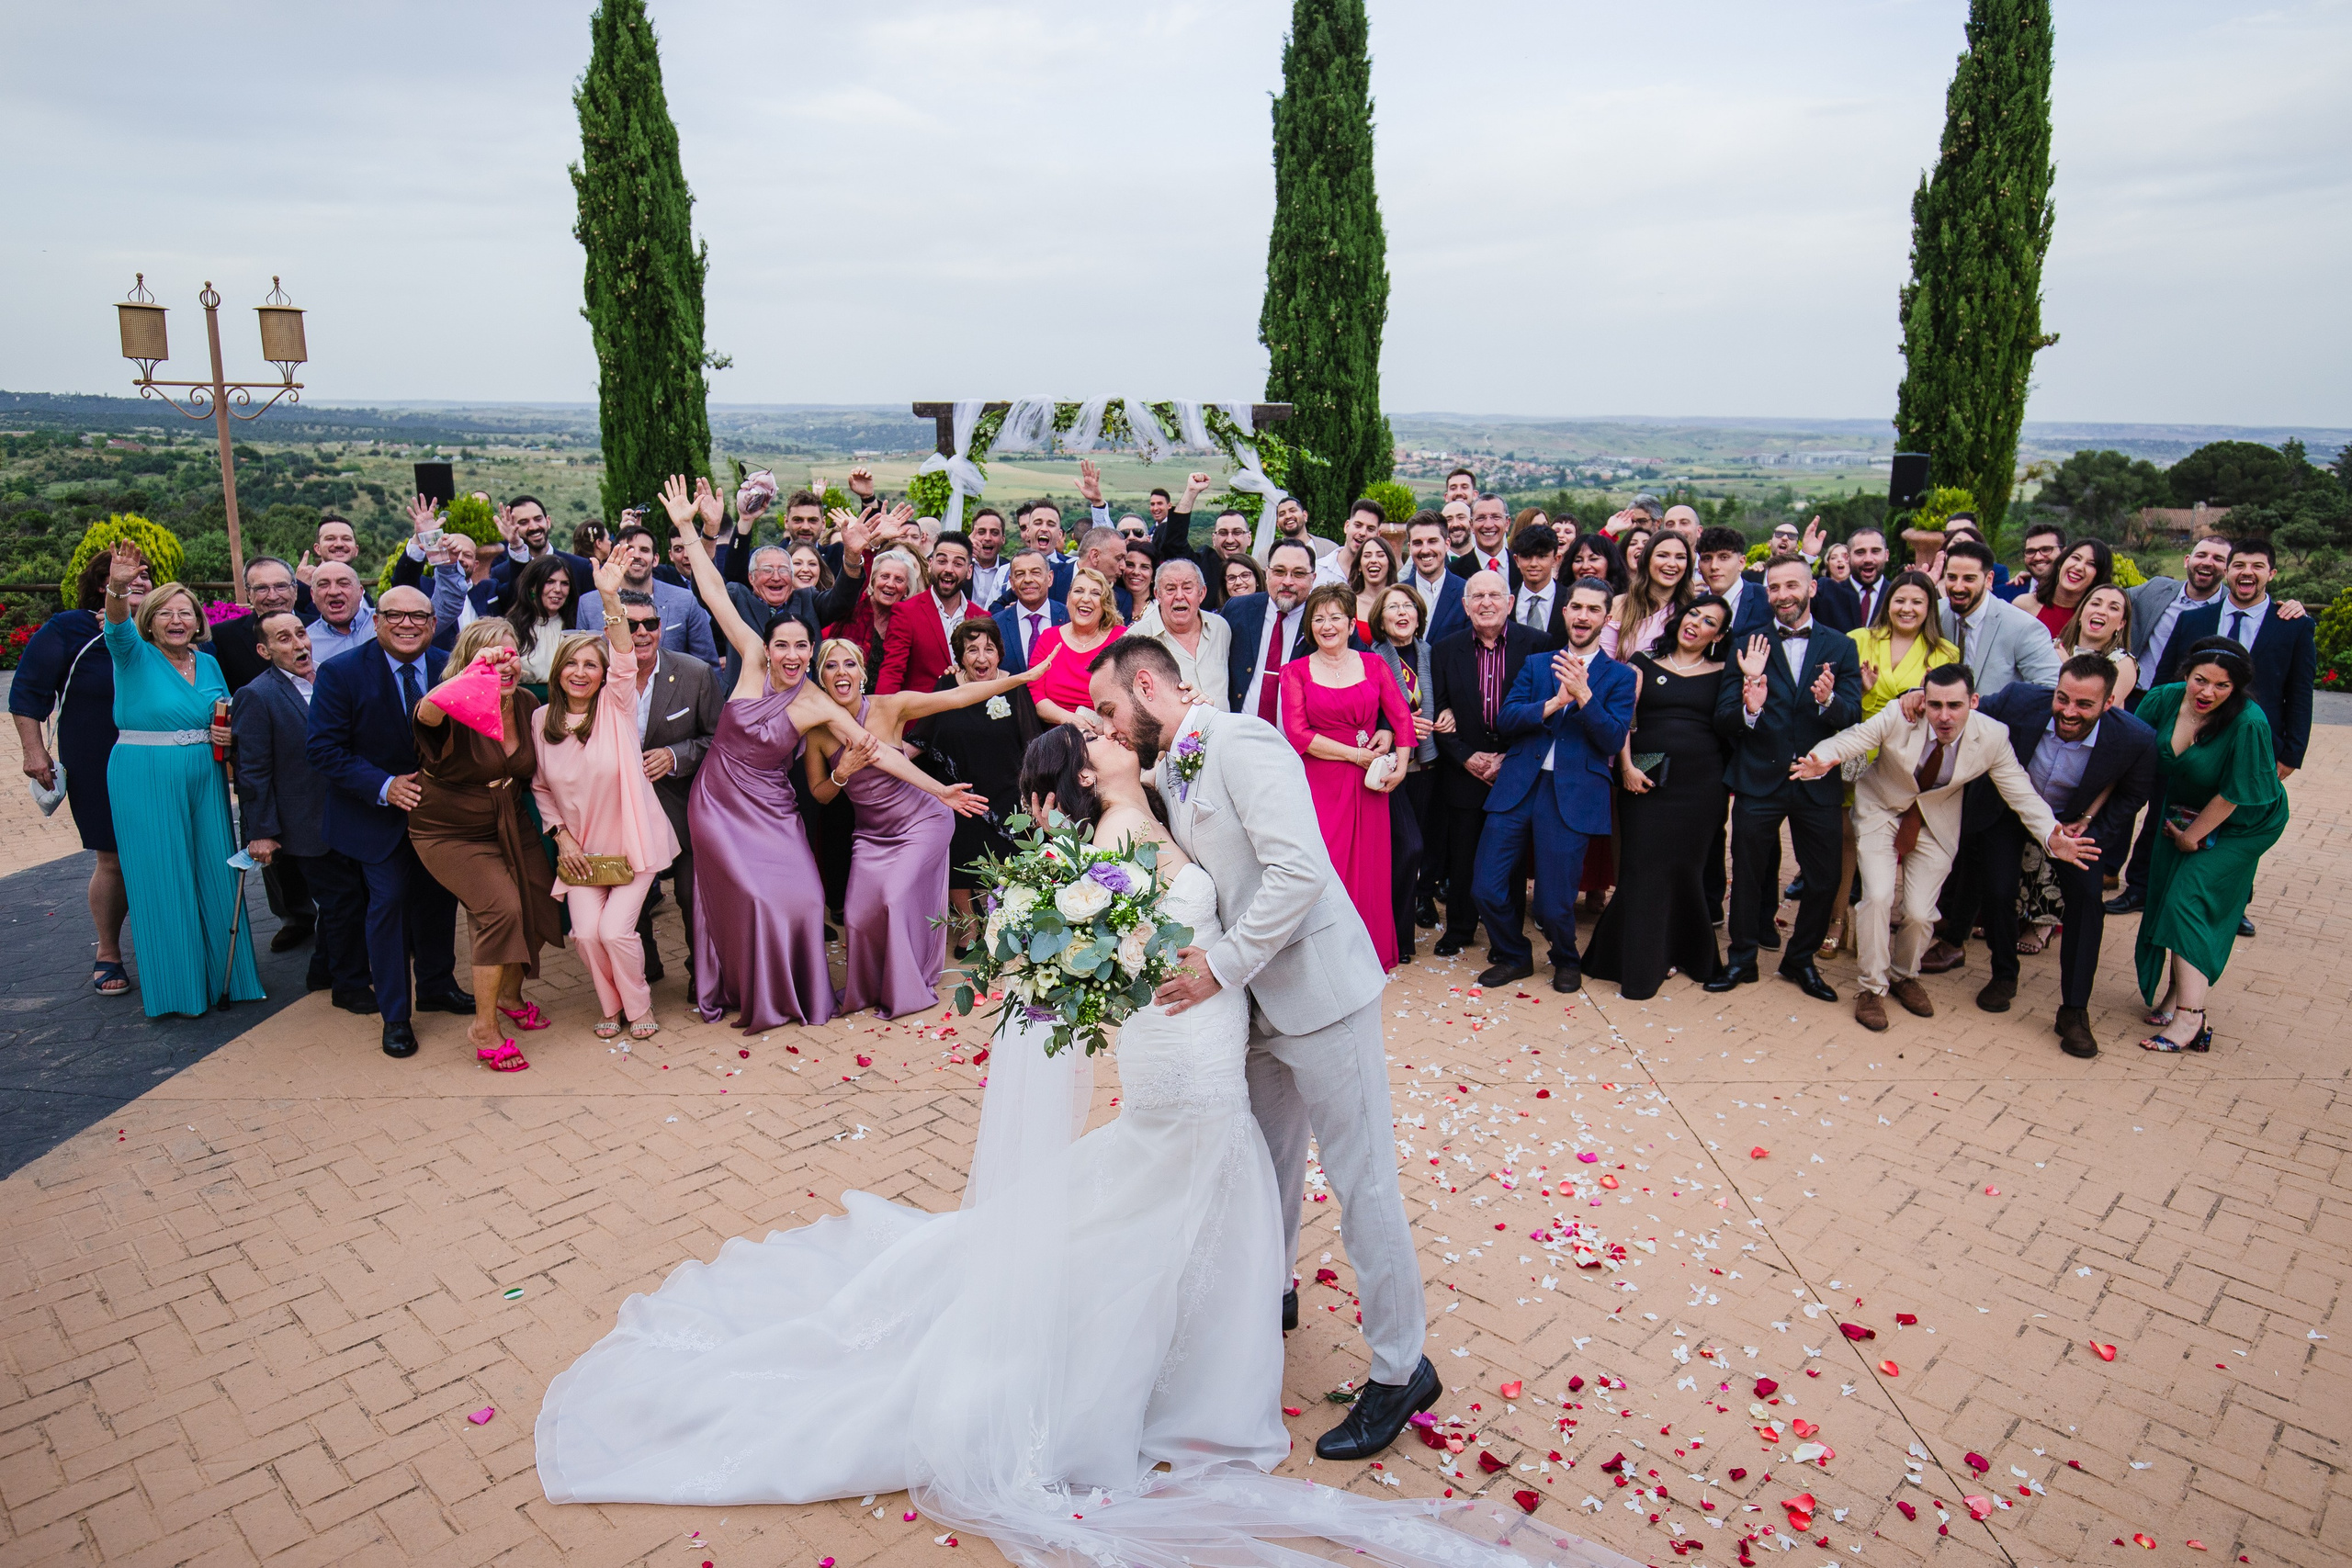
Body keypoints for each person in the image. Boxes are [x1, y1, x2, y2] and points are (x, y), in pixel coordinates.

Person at [537, 698, 1620, 1568]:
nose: (1106, 729)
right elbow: (1123, 944)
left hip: (1221, 1024)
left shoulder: (1170, 797)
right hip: (1183, 1038)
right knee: (1198, 1169)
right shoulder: (1111, 832)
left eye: (1108, 716)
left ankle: (1264, 1326)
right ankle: (1186, 1349)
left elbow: (1247, 884)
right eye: (1096, 733)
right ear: (1084, 774)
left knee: (1216, 1175)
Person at [1087, 637, 1440, 1463]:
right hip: (1249, 1012)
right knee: (1265, 1169)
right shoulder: (1169, 765)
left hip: (1318, 993)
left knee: (1363, 1182)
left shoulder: (1242, 740)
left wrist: (1220, 966)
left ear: (1148, 685)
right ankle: (1268, 1297)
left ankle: (1400, 1366)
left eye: (1108, 708)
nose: (1104, 722)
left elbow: (1299, 871)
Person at [662, 477, 955, 1032]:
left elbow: (876, 751)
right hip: (720, 802)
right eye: (784, 645)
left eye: (803, 646)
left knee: (803, 897)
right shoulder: (748, 661)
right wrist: (687, 527)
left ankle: (795, 989)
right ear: (766, 646)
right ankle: (746, 988)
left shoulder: (817, 701)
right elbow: (715, 593)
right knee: (751, 895)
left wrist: (938, 790)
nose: (793, 654)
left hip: (774, 806)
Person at [1794, 663, 2096, 1032]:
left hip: (1935, 821)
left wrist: (2052, 835)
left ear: (1974, 702)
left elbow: (2020, 790)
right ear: (1924, 700)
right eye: (1935, 705)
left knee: (1921, 914)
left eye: (1955, 705)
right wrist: (1823, 758)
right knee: (1877, 896)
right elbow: (1856, 738)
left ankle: (1904, 975)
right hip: (1882, 809)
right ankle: (1872, 987)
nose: (1944, 715)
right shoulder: (1900, 714)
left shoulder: (1993, 736)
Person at [1924, 658, 2157, 1051]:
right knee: (1998, 888)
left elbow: (2134, 794)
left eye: (2084, 705)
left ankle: (2074, 1011)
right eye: (2062, 698)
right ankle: (2003, 974)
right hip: (2008, 811)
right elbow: (1965, 707)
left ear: (2110, 702)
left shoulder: (2136, 738)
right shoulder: (2018, 700)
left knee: (2086, 900)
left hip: (2073, 824)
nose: (2068, 711)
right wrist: (1918, 697)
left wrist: (2091, 827)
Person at [90, 543, 264, 1019]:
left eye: (184, 612)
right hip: (145, 774)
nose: (175, 620)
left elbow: (223, 712)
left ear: (197, 621)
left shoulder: (206, 662)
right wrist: (119, 586)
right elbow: (116, 624)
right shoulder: (132, 654)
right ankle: (177, 988)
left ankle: (225, 976)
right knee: (162, 874)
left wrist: (225, 732)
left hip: (204, 776)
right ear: (147, 618)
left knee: (214, 871)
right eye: (164, 612)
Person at [805, 638, 1023, 1016]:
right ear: (822, 679)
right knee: (856, 916)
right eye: (831, 666)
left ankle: (905, 988)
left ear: (862, 673)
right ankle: (872, 987)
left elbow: (960, 697)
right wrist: (841, 774)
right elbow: (820, 795)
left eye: (849, 664)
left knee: (893, 896)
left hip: (922, 822)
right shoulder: (819, 733)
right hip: (871, 835)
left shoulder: (891, 706)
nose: (842, 672)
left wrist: (1027, 677)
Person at [307, 585, 471, 1055]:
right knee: (391, 904)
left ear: (432, 624)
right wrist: (384, 786)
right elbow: (322, 750)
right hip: (375, 818)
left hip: (440, 817)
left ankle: (438, 986)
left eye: (418, 617)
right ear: (376, 621)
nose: (407, 624)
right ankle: (396, 1015)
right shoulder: (340, 673)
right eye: (395, 615)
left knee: (439, 902)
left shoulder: (449, 667)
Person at [532, 562, 682, 1043]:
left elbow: (623, 652)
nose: (580, 672)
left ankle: (638, 1007)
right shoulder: (540, 721)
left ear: (603, 676)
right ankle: (610, 1005)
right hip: (582, 852)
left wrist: (610, 598)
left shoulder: (615, 706)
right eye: (571, 664)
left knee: (617, 932)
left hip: (633, 844)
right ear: (558, 671)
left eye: (589, 665)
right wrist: (562, 836)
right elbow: (539, 787)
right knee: (585, 934)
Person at [407, 617, 564, 1071]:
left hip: (508, 818)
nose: (503, 662)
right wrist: (472, 674)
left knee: (541, 901)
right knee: (501, 911)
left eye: (510, 652)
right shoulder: (449, 706)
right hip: (449, 831)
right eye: (491, 655)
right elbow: (425, 712)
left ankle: (511, 995)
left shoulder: (526, 702)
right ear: (469, 662)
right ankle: (483, 1027)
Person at [1705, 556, 1862, 1003]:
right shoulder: (1747, 642)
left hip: (1817, 779)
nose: (1782, 595)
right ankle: (1741, 958)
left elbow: (1851, 715)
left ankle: (1801, 959)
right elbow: (1722, 719)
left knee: (1824, 876)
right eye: (1774, 587)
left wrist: (1828, 701)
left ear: (1812, 588)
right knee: (1749, 873)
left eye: (1792, 585)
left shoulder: (1840, 646)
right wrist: (1750, 707)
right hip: (1759, 777)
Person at [1470, 578, 1634, 992]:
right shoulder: (1538, 664)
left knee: (1554, 902)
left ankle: (1565, 958)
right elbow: (1506, 720)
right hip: (1518, 787)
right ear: (1565, 611)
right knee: (1486, 886)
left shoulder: (1618, 676)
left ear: (1607, 618)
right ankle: (1513, 955)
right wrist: (1554, 702)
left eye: (1594, 609)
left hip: (1574, 795)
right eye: (1577, 607)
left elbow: (1614, 739)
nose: (1583, 616)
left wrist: (1583, 696)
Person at [2133, 640, 2290, 1053]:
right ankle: (2174, 996)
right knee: (2170, 892)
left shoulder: (2249, 723)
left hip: (2246, 820)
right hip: (2186, 807)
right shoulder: (2163, 700)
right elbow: (2128, 750)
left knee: (2189, 898)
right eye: (2200, 680)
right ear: (2186, 673)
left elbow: (2235, 793)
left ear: (2236, 689)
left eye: (2222, 686)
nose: (2207, 692)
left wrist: (2190, 836)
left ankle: (2191, 1020)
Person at [1580, 595, 1731, 999]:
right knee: (1643, 869)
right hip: (1645, 780)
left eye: (1709, 622)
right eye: (1693, 614)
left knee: (1687, 871)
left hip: (1702, 787)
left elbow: (1731, 725)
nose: (1697, 624)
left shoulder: (1724, 672)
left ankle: (1684, 952)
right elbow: (1626, 719)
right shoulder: (1642, 663)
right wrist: (1626, 767)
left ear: (1719, 635)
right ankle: (1638, 961)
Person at [13, 550, 144, 996]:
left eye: (143, 576)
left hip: (162, 761)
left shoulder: (164, 628)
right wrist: (34, 752)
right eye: (122, 577)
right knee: (112, 857)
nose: (134, 581)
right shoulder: (69, 628)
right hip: (95, 758)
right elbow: (29, 690)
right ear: (100, 584)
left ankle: (168, 945)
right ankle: (108, 951)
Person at [231, 608, 365, 1001]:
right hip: (303, 822)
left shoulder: (332, 678)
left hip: (347, 813)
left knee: (348, 899)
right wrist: (262, 832)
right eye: (284, 638)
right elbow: (252, 771)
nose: (298, 644)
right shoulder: (257, 694)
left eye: (301, 633)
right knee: (343, 901)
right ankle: (350, 986)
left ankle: (322, 971)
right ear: (264, 649)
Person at [1278, 585, 1415, 970]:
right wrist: (1355, 754)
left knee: (1371, 868)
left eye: (1336, 616)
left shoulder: (1374, 665)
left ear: (1350, 622)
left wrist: (1401, 765)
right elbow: (1298, 734)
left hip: (1372, 784)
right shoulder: (1295, 672)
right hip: (1322, 781)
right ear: (1309, 626)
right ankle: (1325, 959)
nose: (1328, 625)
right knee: (1328, 866)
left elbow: (1401, 717)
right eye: (1319, 618)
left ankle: (1367, 955)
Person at [1428, 571, 1544, 959]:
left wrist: (1509, 758)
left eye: (1495, 595)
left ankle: (1503, 935)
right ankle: (1460, 929)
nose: (1486, 603)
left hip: (1517, 767)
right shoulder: (1445, 650)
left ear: (1510, 603)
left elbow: (1544, 713)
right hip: (1465, 768)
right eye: (1477, 596)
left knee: (1508, 860)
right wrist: (1466, 756)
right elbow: (1437, 712)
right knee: (1462, 857)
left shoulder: (1538, 645)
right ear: (1465, 605)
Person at [612, 590, 720, 987]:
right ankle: (644, 968)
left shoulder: (694, 673)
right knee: (631, 902)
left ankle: (703, 974)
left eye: (650, 624)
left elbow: (718, 739)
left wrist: (676, 756)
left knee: (693, 898)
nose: (641, 632)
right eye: (630, 624)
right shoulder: (598, 674)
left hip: (681, 807)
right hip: (620, 813)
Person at [920, 619, 1044, 952]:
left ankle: (1000, 924)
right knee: (959, 857)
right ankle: (969, 925)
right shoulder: (946, 685)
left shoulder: (1013, 686)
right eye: (971, 649)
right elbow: (923, 735)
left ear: (999, 653)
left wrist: (1031, 797)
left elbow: (1033, 745)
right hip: (958, 792)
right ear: (960, 656)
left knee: (1007, 864)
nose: (981, 656)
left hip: (1006, 791)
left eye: (988, 648)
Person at [2151, 537, 2315, 776]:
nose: (2247, 572)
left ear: (2271, 574)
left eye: (2257, 566)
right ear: (2227, 572)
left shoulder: (2294, 627)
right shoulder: (2192, 620)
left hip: (2255, 745)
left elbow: (2300, 693)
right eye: (2239, 565)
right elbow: (2164, 681)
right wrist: (2156, 736)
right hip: (2187, 742)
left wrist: (2292, 754)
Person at [1369, 584, 1439, 962]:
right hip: (1392, 767)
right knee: (1406, 848)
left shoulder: (1430, 653)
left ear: (1418, 614)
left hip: (1426, 765)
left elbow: (1442, 697)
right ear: (1380, 618)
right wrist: (1400, 727)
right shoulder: (1371, 658)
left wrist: (1445, 714)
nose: (1401, 612)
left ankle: (1402, 938)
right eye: (1392, 607)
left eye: (1407, 606)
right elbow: (1371, 710)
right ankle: (1392, 935)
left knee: (1416, 853)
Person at [577, 516, 721, 667]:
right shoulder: (588, 605)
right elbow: (583, 663)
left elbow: (708, 666)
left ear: (656, 559)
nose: (636, 556)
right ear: (616, 557)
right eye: (629, 550)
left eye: (644, 550)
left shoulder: (686, 601)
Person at [877, 529, 991, 695]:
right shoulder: (906, 612)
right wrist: (883, 716)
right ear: (930, 564)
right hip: (922, 717)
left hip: (972, 714)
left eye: (958, 564)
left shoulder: (982, 617)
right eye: (942, 561)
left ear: (969, 571)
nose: (949, 569)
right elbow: (891, 673)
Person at [1222, 538, 1322, 721]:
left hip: (1298, 743)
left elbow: (1366, 669)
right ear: (1267, 573)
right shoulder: (1238, 610)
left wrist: (1386, 726)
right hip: (1239, 732)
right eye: (1279, 571)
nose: (1287, 581)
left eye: (1298, 574)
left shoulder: (1326, 620)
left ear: (1313, 578)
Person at [1939, 540, 2061, 691]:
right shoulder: (1935, 615)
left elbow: (2051, 686)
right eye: (1952, 577)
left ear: (1989, 579)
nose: (1957, 587)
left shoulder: (2022, 627)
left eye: (1969, 579)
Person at [1849, 570, 1960, 717]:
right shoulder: (1857, 639)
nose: (1906, 609)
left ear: (1929, 608)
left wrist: (1928, 696)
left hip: (1912, 736)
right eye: (1900, 601)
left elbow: (1946, 712)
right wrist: (1860, 689)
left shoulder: (1946, 653)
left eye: (1917, 602)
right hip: (1858, 733)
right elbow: (1836, 701)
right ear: (1888, 604)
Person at [1128, 558, 1232, 711]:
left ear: (1202, 593)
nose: (1179, 596)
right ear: (1158, 595)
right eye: (1170, 589)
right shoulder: (1136, 639)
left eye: (1187, 588)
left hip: (1223, 732)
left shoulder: (1221, 628)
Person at [1025, 566, 1124, 726]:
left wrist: (1101, 728)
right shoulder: (1048, 638)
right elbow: (1036, 696)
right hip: (1057, 736)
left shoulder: (1121, 639)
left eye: (1095, 593)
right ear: (1068, 598)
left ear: (1105, 603)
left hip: (1107, 735)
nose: (1085, 599)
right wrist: (1070, 720)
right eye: (1079, 591)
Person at [209, 554, 302, 693]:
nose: (273, 596)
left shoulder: (316, 627)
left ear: (295, 590)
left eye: (281, 586)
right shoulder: (224, 637)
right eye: (261, 588)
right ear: (249, 593)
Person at [488, 494, 593, 613]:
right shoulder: (501, 573)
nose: (533, 527)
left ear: (548, 521)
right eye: (523, 522)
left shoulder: (580, 568)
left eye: (538, 519)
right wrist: (516, 546)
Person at [1601, 529, 1694, 660]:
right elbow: (1605, 664)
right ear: (1647, 559)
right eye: (1663, 555)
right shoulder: (1620, 605)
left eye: (1680, 557)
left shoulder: (1693, 611)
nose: (1672, 564)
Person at [503, 554, 580, 694]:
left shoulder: (577, 627)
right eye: (549, 581)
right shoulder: (510, 629)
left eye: (564, 583)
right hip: (523, 706)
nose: (558, 589)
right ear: (532, 587)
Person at [2055, 584, 2140, 705]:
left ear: (2121, 624)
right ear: (2080, 613)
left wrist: (2066, 665)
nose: (2101, 611)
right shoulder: (2052, 646)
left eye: (2113, 608)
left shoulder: (2123, 662)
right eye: (2095, 604)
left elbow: (2096, 709)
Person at [991, 548, 1070, 676]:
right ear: (1012, 582)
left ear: (1050, 578)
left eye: (1035, 573)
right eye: (1020, 574)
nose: (1028, 579)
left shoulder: (1069, 618)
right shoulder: (995, 625)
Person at [2013, 538, 2113, 638]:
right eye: (2076, 558)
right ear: (2061, 563)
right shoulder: (2024, 605)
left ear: (2098, 577)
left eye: (2091, 564)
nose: (2079, 567)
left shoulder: (2095, 620)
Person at [1399, 512, 1467, 645]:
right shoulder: (1398, 594)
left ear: (1447, 544)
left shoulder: (1465, 592)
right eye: (1418, 543)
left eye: (1432, 541)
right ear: (1410, 547)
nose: (1425, 550)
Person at [1815, 525, 1893, 633]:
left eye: (1875, 551)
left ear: (1886, 555)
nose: (1868, 559)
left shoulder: (1897, 596)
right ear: (1848, 557)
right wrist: (1807, 556)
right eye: (1860, 552)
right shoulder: (1826, 593)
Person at [1504, 522, 1566, 648]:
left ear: (1555, 559)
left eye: (1542, 556)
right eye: (1526, 556)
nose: (1533, 563)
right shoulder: (1505, 602)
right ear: (1516, 560)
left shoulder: (1570, 600)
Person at [304, 561, 376, 666]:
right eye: (323, 585)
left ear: (360, 592)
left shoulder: (387, 623)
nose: (334, 592)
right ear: (313, 595)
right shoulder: (306, 644)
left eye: (343, 583)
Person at [1447, 494, 1517, 585]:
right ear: (1471, 525)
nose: (1488, 525)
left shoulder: (1523, 566)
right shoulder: (1452, 573)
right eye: (1481, 518)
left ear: (1507, 523)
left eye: (1496, 517)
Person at [1347, 536, 1399, 640]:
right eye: (1367, 556)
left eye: (1380, 555)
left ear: (1390, 563)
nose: (1373, 560)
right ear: (1359, 566)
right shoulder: (1348, 604)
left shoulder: (1403, 602)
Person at [1567, 532, 1627, 601]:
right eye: (1578, 560)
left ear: (1610, 562)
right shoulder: (1559, 601)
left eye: (1593, 559)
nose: (1585, 566)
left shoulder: (1625, 603)